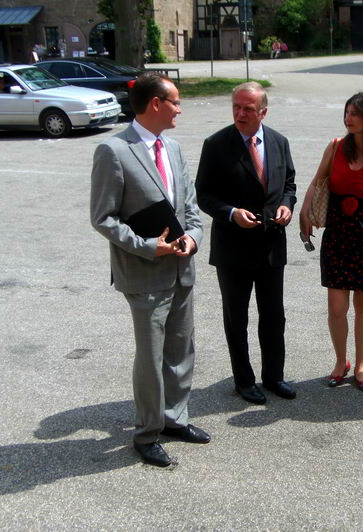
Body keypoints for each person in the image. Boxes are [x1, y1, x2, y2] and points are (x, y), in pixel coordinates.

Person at [90, 72, 209, 467]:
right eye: (175, 101)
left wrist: (193, 237)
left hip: (181, 268)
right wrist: (146, 247)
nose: (179, 108)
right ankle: (146, 433)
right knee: (151, 358)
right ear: (155, 104)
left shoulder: (173, 148)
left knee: (181, 350)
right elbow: (102, 218)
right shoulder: (114, 151)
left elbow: (190, 206)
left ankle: (175, 419)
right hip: (144, 274)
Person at [196, 82, 297, 405]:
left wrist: (287, 205)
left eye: (248, 109)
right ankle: (244, 380)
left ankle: (274, 376)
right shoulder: (216, 144)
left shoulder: (279, 142)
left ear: (263, 112)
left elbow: (290, 184)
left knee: (273, 316)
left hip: (270, 246)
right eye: (236, 107)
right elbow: (204, 194)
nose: (240, 113)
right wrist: (230, 213)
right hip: (232, 249)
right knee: (236, 318)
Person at [300, 92, 363, 392]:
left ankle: (361, 365)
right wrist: (304, 212)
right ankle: (340, 361)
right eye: (347, 111)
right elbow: (317, 181)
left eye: (355, 113)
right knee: (336, 305)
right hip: (339, 234)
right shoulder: (335, 147)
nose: (348, 117)